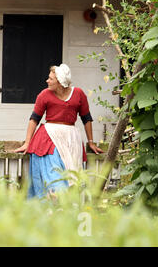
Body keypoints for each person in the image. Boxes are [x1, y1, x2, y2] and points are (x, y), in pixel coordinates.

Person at [14, 64, 104, 199]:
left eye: (51, 79)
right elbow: (34, 119)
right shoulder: (44, 95)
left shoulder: (78, 94)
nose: (47, 81)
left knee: (71, 174)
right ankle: (53, 203)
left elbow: (86, 118)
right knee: (53, 171)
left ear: (60, 83)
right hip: (49, 136)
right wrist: (27, 142)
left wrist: (90, 142)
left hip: (70, 138)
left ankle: (66, 208)